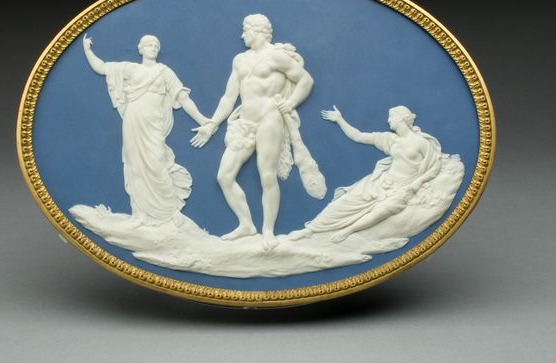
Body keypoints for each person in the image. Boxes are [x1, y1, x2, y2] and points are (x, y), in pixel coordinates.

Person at [190, 14, 315, 249]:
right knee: (224, 176)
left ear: (257, 31)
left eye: (245, 31)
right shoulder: (240, 60)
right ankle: (246, 225)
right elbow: (229, 98)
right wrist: (212, 124)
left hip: (269, 118)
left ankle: (268, 231)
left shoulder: (277, 57)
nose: (242, 36)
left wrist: (290, 104)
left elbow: (305, 80)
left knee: (267, 175)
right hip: (244, 122)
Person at [82, 34, 210, 226]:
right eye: (149, 45)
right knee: (134, 166)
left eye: (156, 45)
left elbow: (183, 99)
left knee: (157, 164)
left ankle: (171, 210)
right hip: (133, 122)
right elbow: (101, 67)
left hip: (153, 124)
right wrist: (87, 49)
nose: (153, 47)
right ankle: (139, 214)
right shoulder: (131, 69)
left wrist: (202, 119)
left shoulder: (164, 72)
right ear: (140, 49)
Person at [289, 105, 442, 243]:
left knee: (381, 211)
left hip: (403, 187)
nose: (388, 120)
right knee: (344, 201)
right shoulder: (389, 139)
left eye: (391, 116)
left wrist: (418, 182)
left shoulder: (420, 142)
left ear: (402, 118)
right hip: (381, 182)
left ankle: (348, 231)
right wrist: (340, 120)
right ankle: (310, 230)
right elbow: (358, 136)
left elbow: (435, 166)